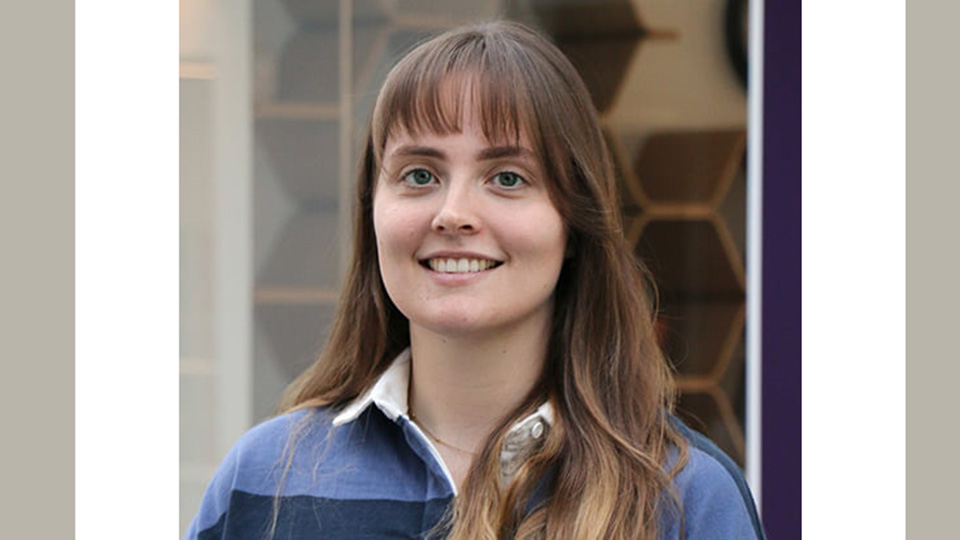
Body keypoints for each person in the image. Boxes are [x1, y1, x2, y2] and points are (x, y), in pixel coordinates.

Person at [186, 21, 765, 540]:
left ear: (574, 223)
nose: (453, 212)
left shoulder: (685, 499)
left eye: (507, 177)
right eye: (419, 174)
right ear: (372, 212)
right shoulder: (262, 481)